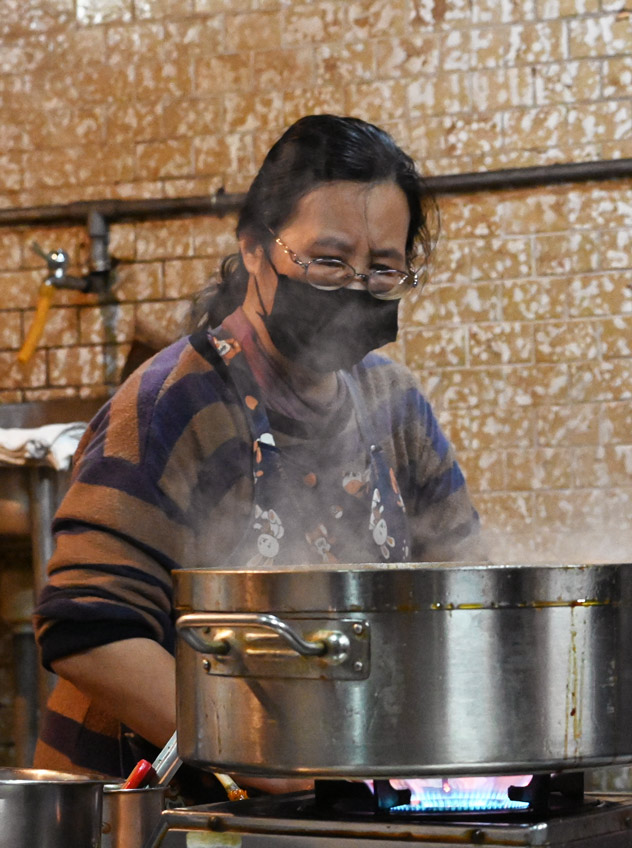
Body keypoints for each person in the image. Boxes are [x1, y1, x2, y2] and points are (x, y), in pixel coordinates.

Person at [33, 115, 479, 796]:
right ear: (253, 249)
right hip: (149, 828)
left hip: (325, 803)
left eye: (383, 269)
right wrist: (271, 760)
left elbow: (466, 592)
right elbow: (87, 630)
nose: (354, 288)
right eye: (328, 261)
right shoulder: (173, 405)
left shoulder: (395, 408)